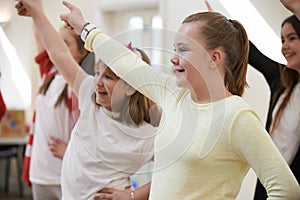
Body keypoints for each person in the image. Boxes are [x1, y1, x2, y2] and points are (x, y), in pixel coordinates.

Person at [16, 1, 300, 199]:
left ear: (214, 58)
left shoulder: (236, 115)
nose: (173, 57)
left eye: (184, 49)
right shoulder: (174, 96)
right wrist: (85, 29)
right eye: (174, 48)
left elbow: (285, 188)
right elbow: (127, 63)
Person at [16, 1, 161, 199]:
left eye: (108, 77)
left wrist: (133, 195)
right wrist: (37, 14)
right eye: (97, 73)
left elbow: (179, 170)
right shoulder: (90, 98)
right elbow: (58, 54)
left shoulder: (148, 135)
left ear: (130, 87)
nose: (97, 82)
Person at [19, 0, 95, 199]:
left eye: (66, 43)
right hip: (40, 172)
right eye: (56, 41)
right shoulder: (49, 74)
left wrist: (69, 150)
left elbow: (94, 135)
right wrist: (35, 8)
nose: (57, 47)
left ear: (82, 52)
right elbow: (39, 36)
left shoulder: (83, 83)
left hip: (66, 173)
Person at [249, 15, 300, 200]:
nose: (284, 46)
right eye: (283, 40)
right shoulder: (282, 83)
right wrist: (225, 27)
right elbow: (252, 53)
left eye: (292, 38)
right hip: (267, 186)